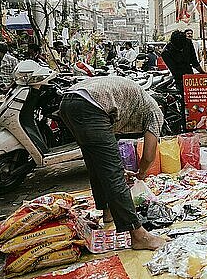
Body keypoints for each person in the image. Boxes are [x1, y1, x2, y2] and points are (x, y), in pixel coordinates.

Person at [59, 75, 168, 250]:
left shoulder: (132, 104)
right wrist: (141, 174)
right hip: (91, 104)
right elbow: (148, 154)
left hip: (68, 102)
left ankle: (108, 211)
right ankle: (139, 235)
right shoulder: (154, 111)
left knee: (95, 164)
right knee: (113, 174)